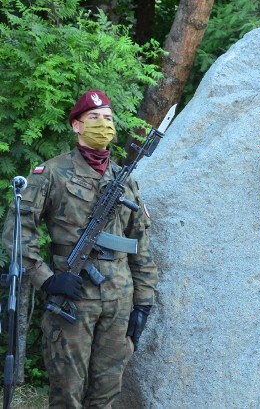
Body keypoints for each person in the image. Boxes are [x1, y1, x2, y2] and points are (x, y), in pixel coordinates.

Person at [2, 89, 158, 408]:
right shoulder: (51, 173)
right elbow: (17, 231)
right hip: (72, 300)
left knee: (106, 391)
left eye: (109, 118)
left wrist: (143, 301)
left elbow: (139, 244)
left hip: (118, 301)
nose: (104, 123)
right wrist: (46, 279)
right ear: (77, 125)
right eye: (95, 117)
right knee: (67, 392)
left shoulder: (125, 180)